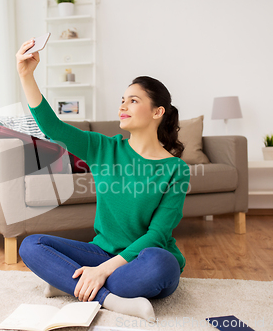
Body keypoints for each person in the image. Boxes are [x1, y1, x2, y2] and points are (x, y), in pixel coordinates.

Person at [15, 38, 191, 322]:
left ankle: (71, 283)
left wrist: (103, 270)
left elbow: (157, 236)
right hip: (100, 252)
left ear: (158, 112)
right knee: (31, 245)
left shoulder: (176, 169)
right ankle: (108, 299)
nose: (123, 105)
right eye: (123, 100)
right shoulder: (103, 148)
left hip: (142, 258)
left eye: (134, 100)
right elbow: (52, 127)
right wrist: (26, 75)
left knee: (163, 265)